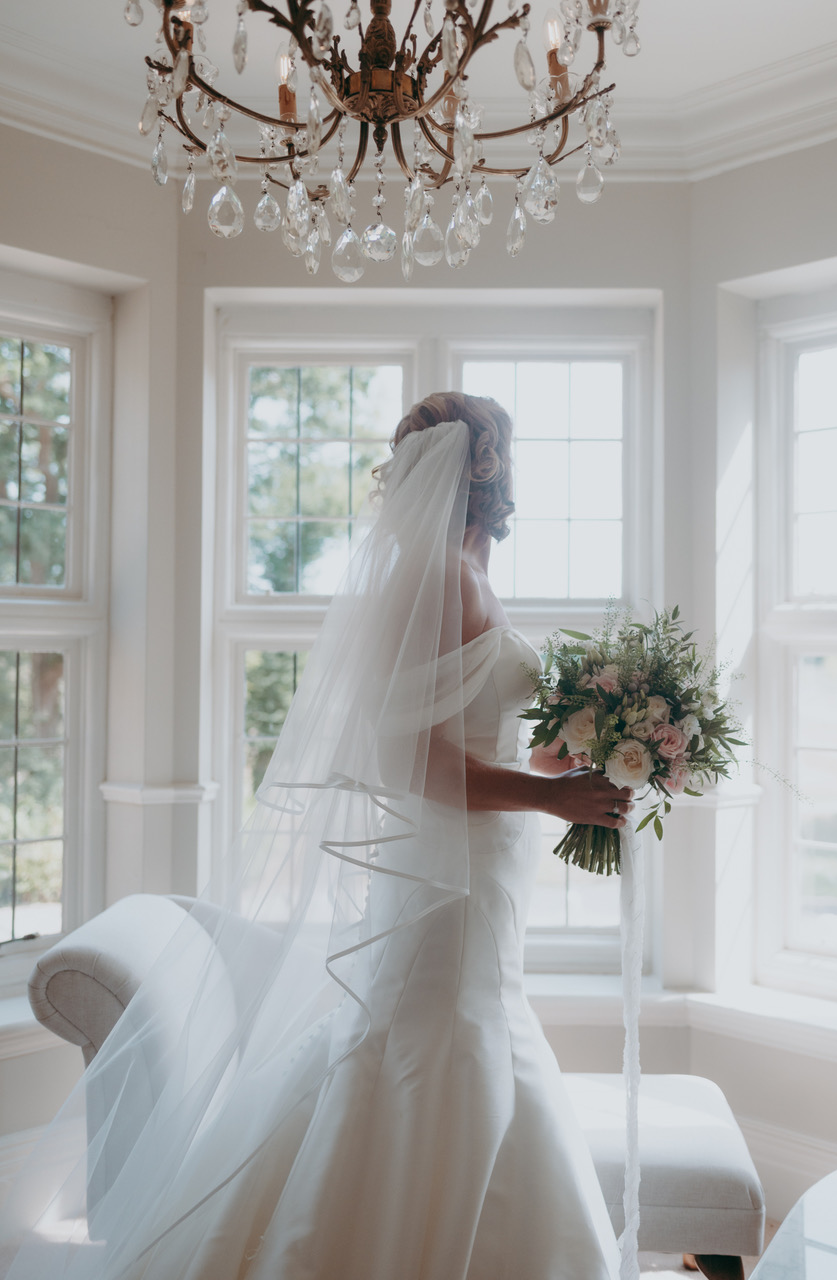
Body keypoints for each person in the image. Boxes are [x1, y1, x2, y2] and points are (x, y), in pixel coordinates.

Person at [1, 392, 634, 1280]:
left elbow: (470, 734)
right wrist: (544, 799)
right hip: (447, 876)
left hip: (483, 868)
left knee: (466, 1030)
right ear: (488, 466)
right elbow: (400, 757)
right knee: (444, 1037)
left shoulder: (461, 572)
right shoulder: (439, 577)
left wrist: (573, 758)